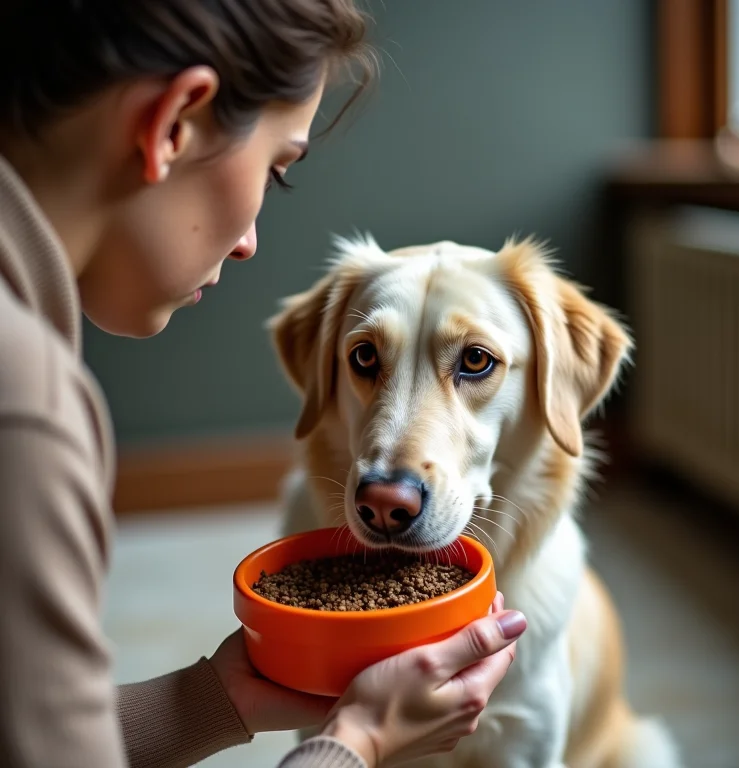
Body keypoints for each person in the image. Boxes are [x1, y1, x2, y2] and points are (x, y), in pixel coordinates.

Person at [0, 2, 528, 767]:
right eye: (277, 169)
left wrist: (219, 698)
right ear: (174, 123)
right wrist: (358, 741)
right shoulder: (25, 405)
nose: (249, 242)